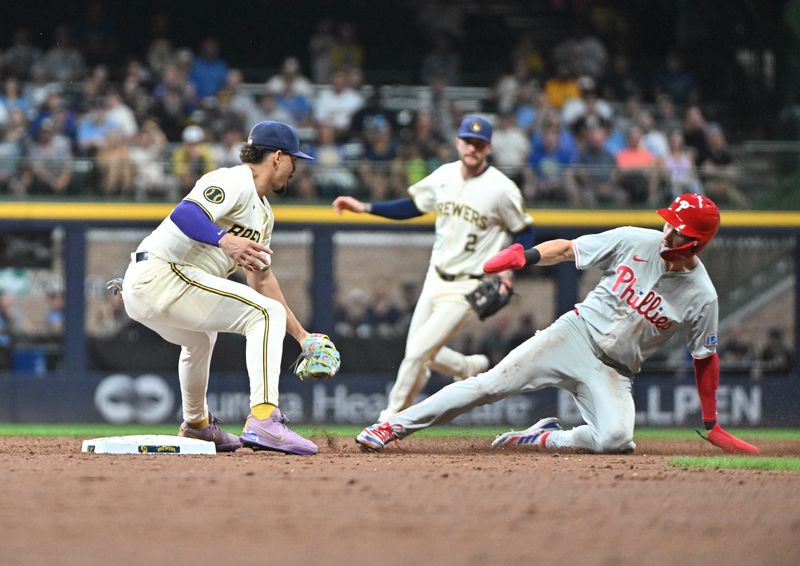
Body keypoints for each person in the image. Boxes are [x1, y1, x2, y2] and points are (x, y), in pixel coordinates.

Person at [356, 193, 759, 456]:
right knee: (488, 385)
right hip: (574, 335)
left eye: (678, 231)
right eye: (670, 222)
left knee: (617, 441)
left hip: (616, 371)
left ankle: (544, 436)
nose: (668, 231)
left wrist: (711, 421)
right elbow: (568, 249)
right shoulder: (637, 240)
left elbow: (704, 357)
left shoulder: (702, 296)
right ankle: (390, 426)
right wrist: (526, 256)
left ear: (697, 244)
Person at [120, 120, 331, 455]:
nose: (295, 169)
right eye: (294, 159)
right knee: (264, 313)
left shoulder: (264, 216)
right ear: (277, 157)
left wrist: (302, 336)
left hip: (160, 288)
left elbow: (262, 280)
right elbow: (185, 214)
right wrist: (224, 239)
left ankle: (197, 426)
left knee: (201, 340)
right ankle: (265, 419)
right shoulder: (234, 179)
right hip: (162, 273)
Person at [333, 115, 535, 422]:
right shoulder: (444, 175)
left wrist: (510, 268)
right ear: (458, 142)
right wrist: (365, 207)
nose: (472, 148)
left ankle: (389, 420)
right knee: (418, 350)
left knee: (416, 354)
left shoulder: (502, 189)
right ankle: (468, 367)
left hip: (468, 286)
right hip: (434, 278)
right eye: (468, 141)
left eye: (479, 144)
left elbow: (524, 231)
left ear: (488, 148)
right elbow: (413, 206)